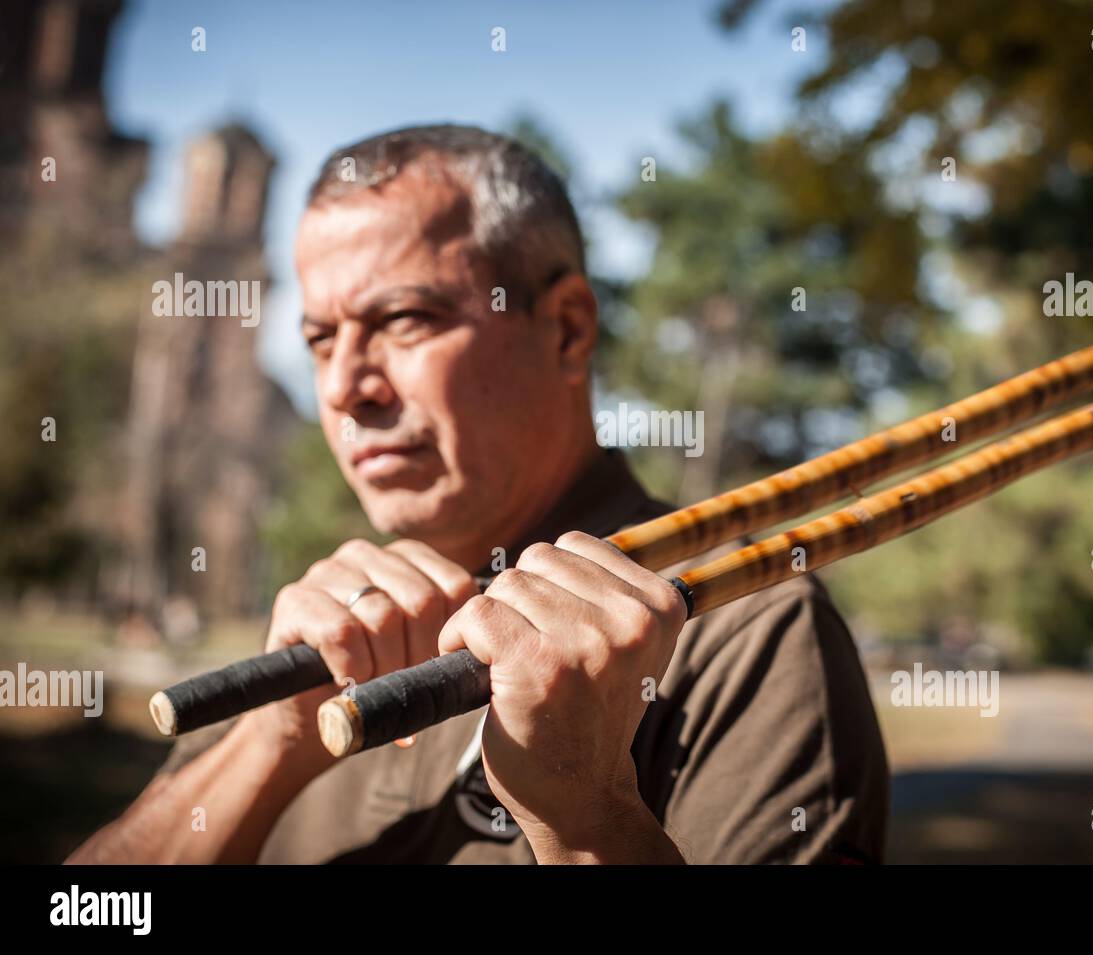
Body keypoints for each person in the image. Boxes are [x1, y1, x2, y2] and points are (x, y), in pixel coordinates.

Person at [67, 124, 889, 864]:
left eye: (405, 320)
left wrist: (588, 819)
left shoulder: (743, 625)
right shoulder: (333, 626)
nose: (347, 387)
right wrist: (272, 741)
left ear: (565, 328)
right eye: (320, 340)